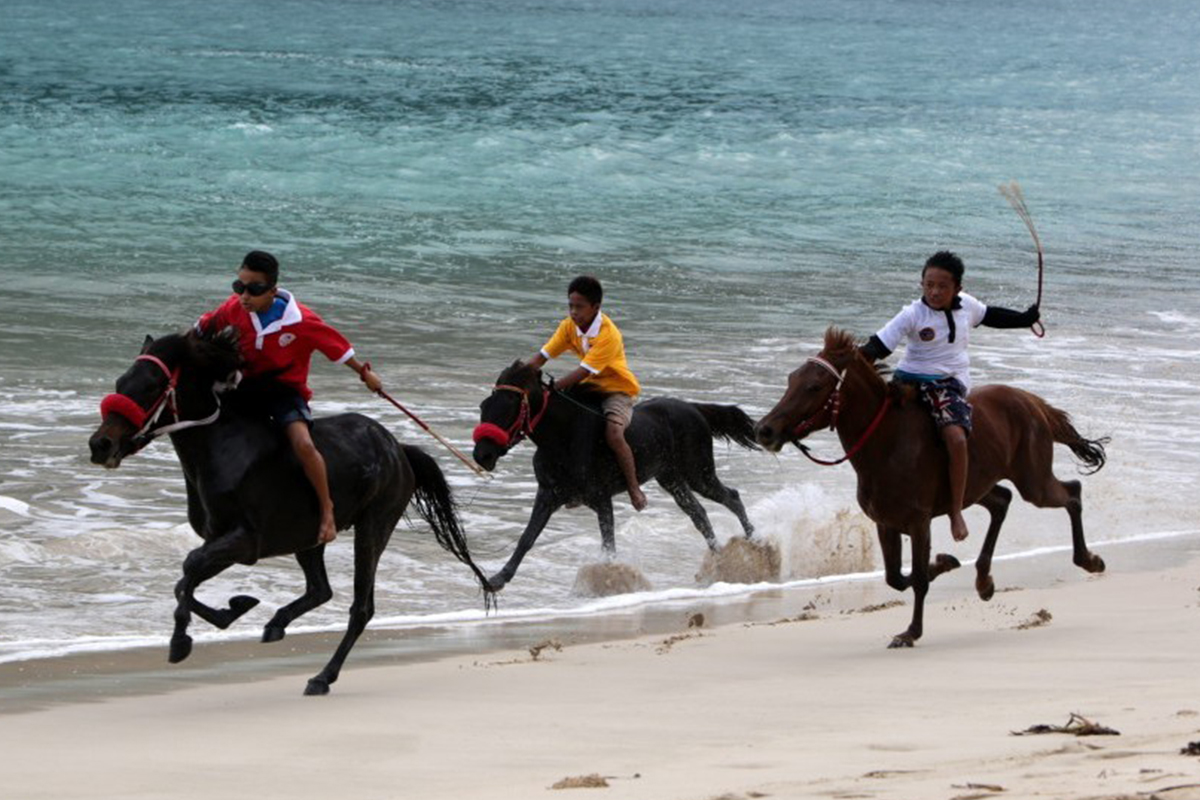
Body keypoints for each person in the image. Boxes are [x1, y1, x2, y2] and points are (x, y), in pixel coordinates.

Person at [196, 250, 382, 545]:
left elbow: (336, 348)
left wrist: (364, 373)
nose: (244, 296)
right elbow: (201, 329)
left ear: (272, 290)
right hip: (243, 388)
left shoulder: (301, 321)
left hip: (285, 392)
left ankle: (326, 509)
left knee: (304, 445)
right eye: (239, 286)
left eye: (253, 289)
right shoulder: (233, 309)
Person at [859, 250, 1039, 543]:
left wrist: (1025, 319)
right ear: (921, 285)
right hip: (907, 380)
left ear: (958, 288)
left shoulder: (966, 306)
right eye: (928, 284)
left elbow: (990, 315)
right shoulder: (913, 314)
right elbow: (878, 345)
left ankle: (956, 510)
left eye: (942, 286)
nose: (934, 291)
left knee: (955, 436)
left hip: (948, 384)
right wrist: (849, 363)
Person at [526, 275, 646, 511]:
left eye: (579, 307)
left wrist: (551, 388)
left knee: (613, 432)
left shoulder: (608, 334)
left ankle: (634, 488)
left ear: (596, 307)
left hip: (616, 390)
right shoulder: (567, 327)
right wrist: (518, 377)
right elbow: (542, 357)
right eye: (570, 306)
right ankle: (574, 486)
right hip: (587, 387)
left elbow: (582, 372)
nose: (573, 312)